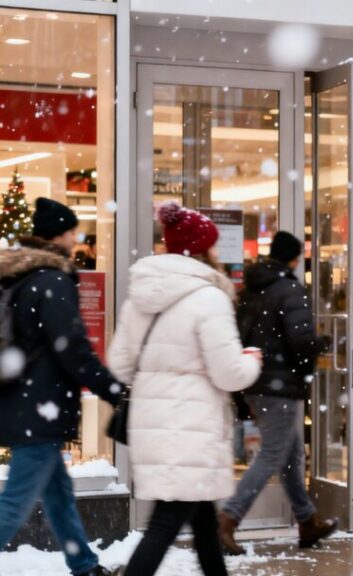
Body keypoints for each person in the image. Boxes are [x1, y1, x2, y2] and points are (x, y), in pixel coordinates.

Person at [107, 202, 262, 576]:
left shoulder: (141, 295)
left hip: (156, 423)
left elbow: (119, 364)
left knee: (204, 524)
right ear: (204, 250)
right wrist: (252, 359)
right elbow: (229, 373)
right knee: (165, 524)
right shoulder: (210, 298)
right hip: (191, 427)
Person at [0, 198, 123, 576]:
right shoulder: (51, 279)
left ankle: (84, 566)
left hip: (26, 404)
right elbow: (73, 348)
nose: (76, 238)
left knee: (58, 495)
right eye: (73, 231)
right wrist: (112, 388)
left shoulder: (22, 277)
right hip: (38, 408)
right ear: (63, 234)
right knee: (15, 504)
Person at [218, 231, 338, 554]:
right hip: (280, 385)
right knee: (274, 452)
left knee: (290, 453)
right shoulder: (290, 289)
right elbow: (301, 342)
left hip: (257, 381)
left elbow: (241, 334)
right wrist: (322, 345)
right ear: (295, 259)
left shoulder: (252, 289)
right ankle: (228, 519)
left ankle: (307, 520)